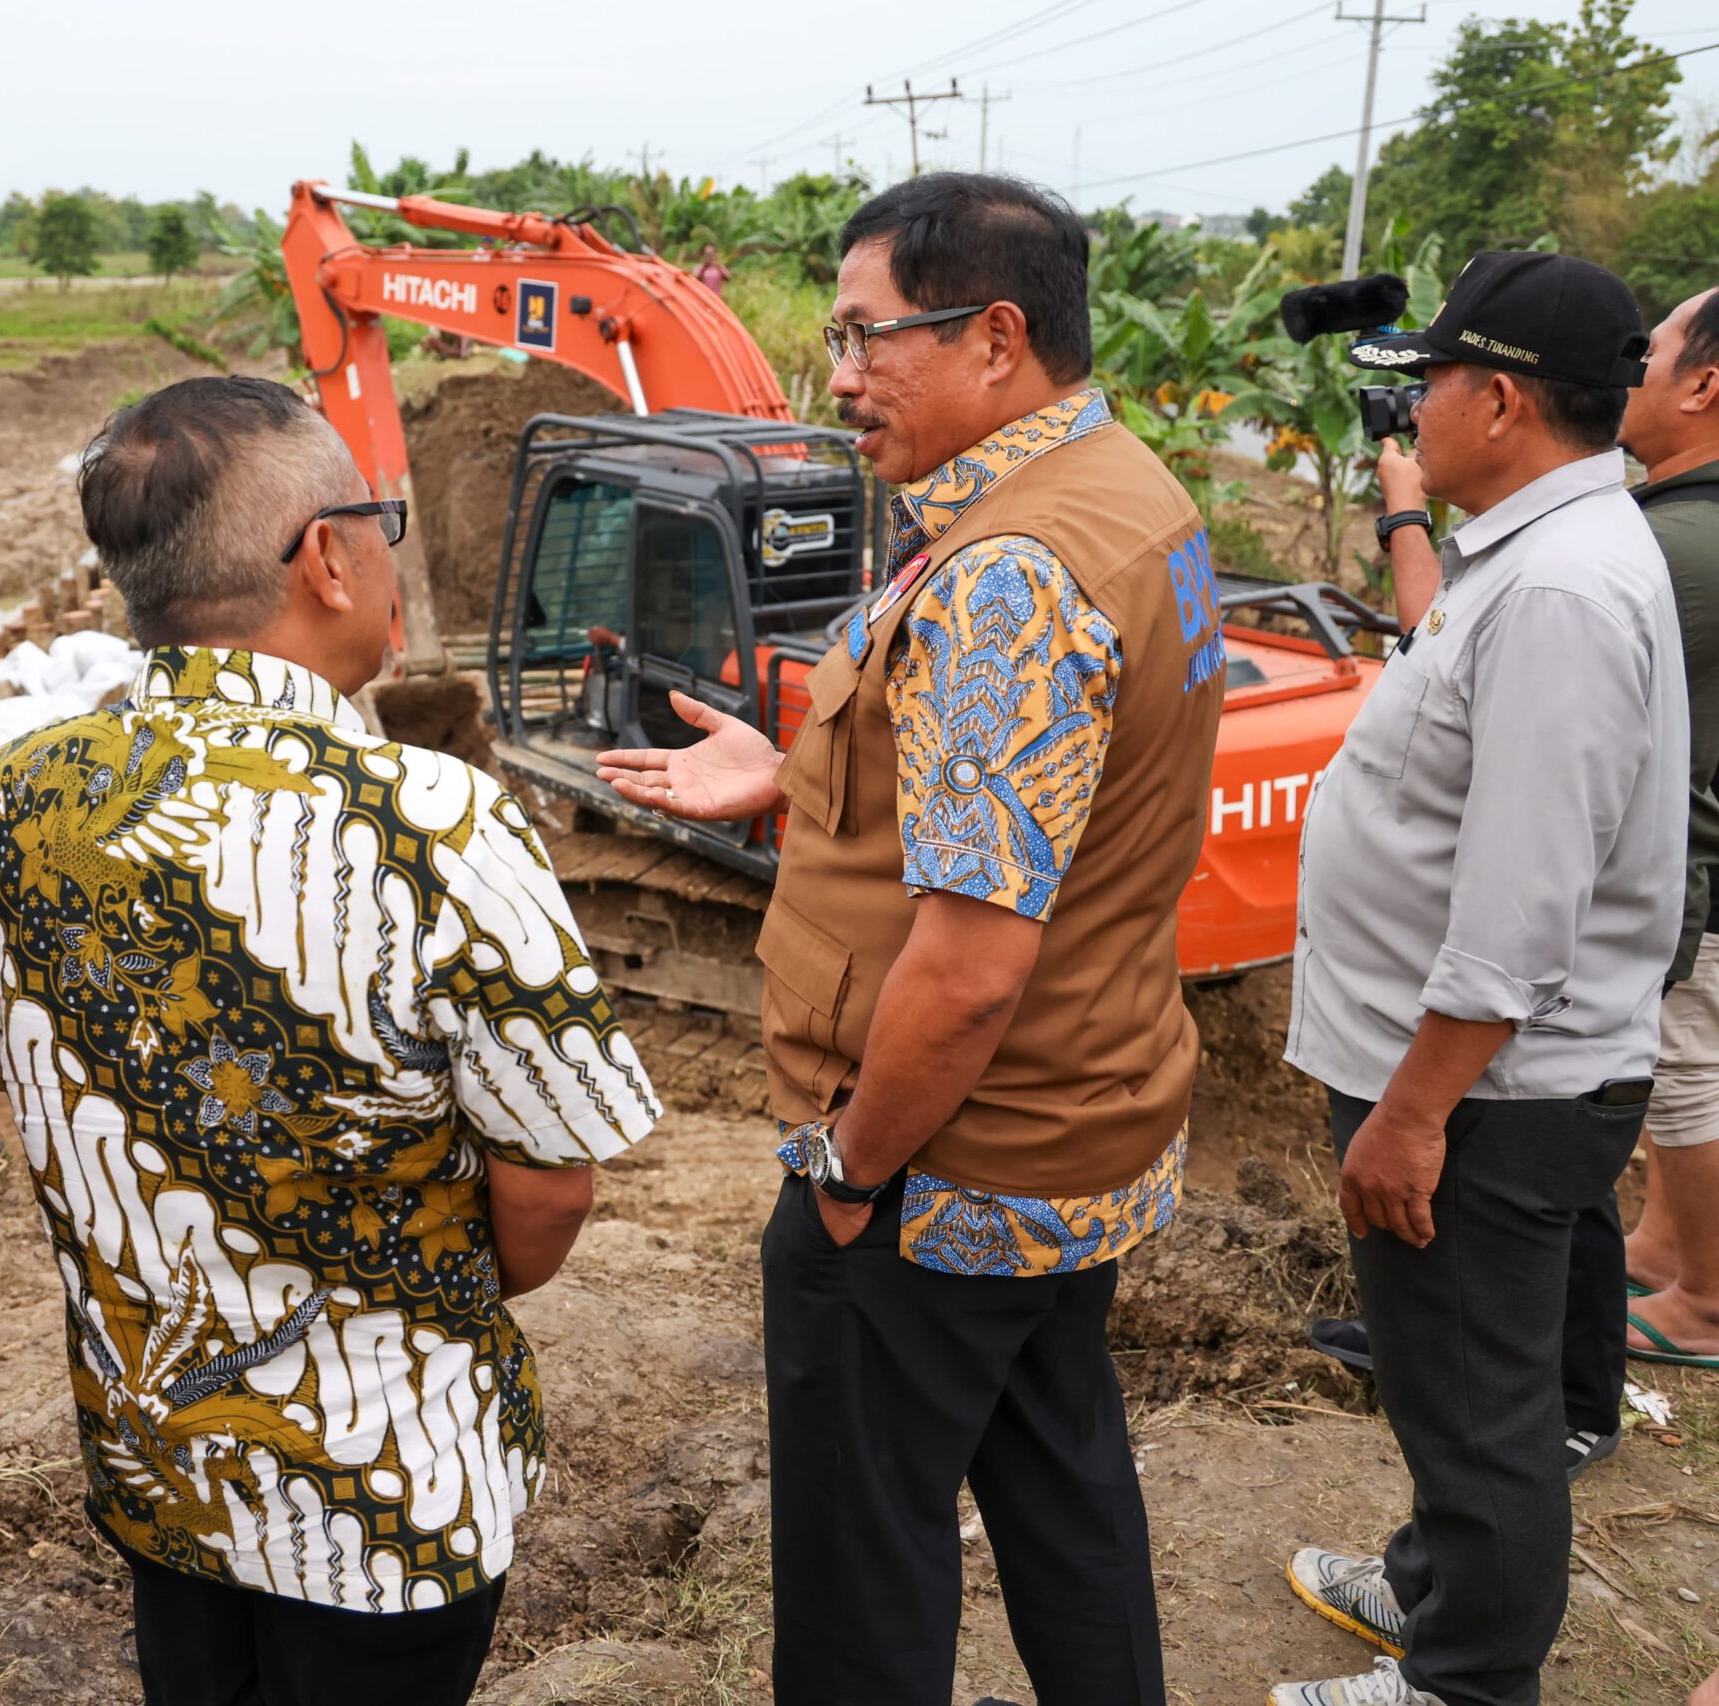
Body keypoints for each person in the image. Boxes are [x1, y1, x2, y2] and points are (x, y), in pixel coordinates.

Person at [0, 376, 659, 1706]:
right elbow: (549, 1192)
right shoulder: (433, 821)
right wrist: (396, 1292)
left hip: (159, 1468)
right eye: (380, 518)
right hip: (387, 1495)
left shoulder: (4, 802)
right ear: (326, 554)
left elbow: (5, 1078)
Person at [600, 171, 1217, 1706]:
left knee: (863, 1565)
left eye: (873, 337)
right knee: (1064, 1480)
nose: (841, 375)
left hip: (948, 1168)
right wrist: (796, 775)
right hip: (1085, 1118)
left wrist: (850, 1173)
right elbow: (1023, 808)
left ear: (997, 335)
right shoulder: (1124, 488)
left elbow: (972, 963)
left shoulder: (1013, 571)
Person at [1274, 251, 1676, 1706]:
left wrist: (1415, 1110)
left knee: (1480, 1398)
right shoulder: (1535, 544)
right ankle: (1439, 1581)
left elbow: (1521, 902)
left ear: (1499, 397)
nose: (1415, 406)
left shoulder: (1564, 589)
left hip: (1483, 1087)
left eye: (1432, 380)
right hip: (1463, 1073)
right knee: (1448, 1377)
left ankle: (1467, 1677)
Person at [1619, 286, 1719, 1370]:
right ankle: (1661, 1241)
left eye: (1647, 352)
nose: (1628, 370)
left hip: (1692, 866)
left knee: (1687, 1065)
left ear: (1702, 384)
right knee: (1671, 1059)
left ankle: (1706, 1301)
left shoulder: (1677, 547)